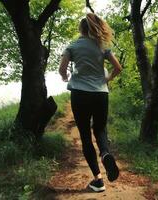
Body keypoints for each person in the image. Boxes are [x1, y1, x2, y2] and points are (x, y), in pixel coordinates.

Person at [58, 13, 122, 192]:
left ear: (81, 29)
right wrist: (107, 78)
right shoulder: (102, 46)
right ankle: (106, 154)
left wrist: (65, 77)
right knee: (100, 129)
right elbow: (118, 68)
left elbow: (62, 68)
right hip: (101, 94)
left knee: (85, 135)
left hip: (80, 94)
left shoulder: (73, 46)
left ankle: (98, 180)